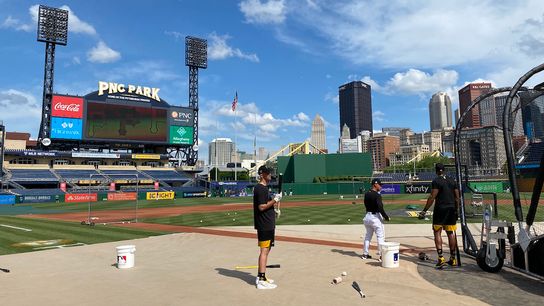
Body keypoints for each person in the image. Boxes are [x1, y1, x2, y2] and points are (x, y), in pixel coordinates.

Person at [418, 163, 460, 268]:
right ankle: (453, 258)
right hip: (451, 209)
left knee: (437, 232)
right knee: (451, 233)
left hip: (440, 209)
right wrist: (456, 210)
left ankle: (441, 258)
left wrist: (424, 211)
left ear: (436, 171)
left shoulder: (436, 181)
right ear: (444, 170)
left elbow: (432, 197)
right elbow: (457, 198)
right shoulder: (452, 180)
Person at [253, 165, 282, 289]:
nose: (271, 175)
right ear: (263, 174)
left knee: (267, 250)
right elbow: (261, 207)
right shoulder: (260, 189)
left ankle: (262, 276)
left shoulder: (265, 188)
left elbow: (266, 206)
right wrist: (275, 200)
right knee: (264, 251)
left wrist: (273, 210)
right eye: (268, 173)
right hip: (264, 225)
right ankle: (261, 279)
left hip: (268, 223)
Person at [362, 178, 390, 260]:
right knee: (380, 236)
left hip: (367, 217)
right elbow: (380, 208)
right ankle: (382, 255)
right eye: (380, 185)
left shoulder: (366, 194)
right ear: (375, 184)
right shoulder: (377, 195)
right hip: (375, 218)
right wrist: (386, 217)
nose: (381, 186)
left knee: (368, 236)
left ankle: (365, 254)